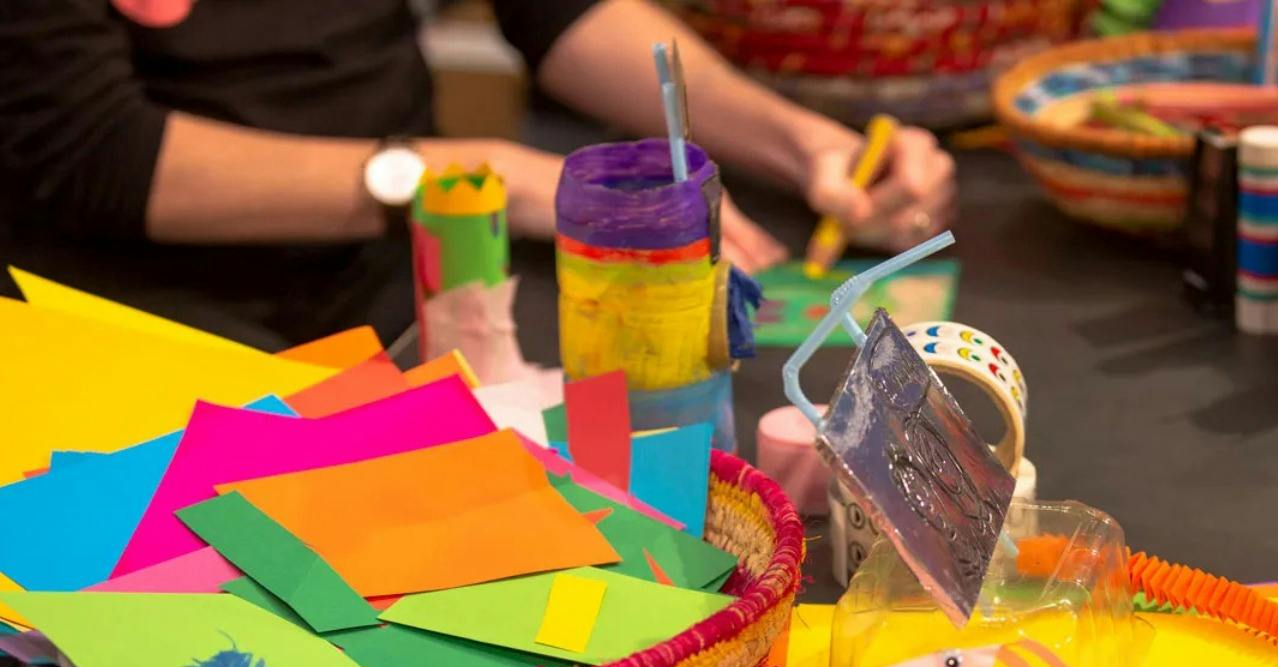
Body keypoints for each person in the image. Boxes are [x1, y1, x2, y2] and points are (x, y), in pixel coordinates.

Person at [0, 0, 957, 346]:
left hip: (404, 301)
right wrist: (490, 176)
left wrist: (801, 143)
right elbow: (94, 153)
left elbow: (559, 12)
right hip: (136, 341)